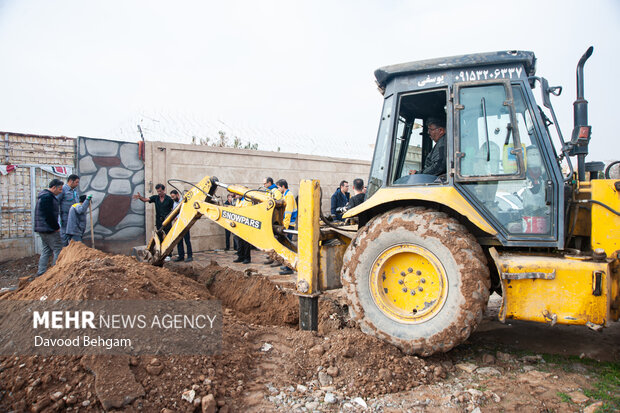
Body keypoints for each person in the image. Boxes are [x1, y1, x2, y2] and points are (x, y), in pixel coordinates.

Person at [133, 184, 174, 261]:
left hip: (167, 222)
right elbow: (146, 200)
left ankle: (169, 255)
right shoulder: (155, 198)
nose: (159, 193)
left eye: (160, 191)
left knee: (168, 238)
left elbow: (174, 209)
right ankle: (162, 254)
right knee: (160, 238)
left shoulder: (169, 199)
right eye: (158, 191)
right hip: (159, 221)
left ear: (164, 190)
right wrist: (140, 198)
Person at [34, 179, 64, 277]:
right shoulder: (47, 197)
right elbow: (48, 214)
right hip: (48, 229)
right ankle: (55, 273)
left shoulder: (44, 196)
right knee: (58, 248)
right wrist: (56, 227)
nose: (61, 192)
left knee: (46, 250)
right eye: (59, 189)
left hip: (43, 228)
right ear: (54, 187)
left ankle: (41, 272)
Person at [276, 179, 297, 275]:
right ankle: (287, 265)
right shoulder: (285, 195)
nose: (278, 189)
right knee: (286, 246)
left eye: (279, 187)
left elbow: (288, 213)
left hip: (288, 225)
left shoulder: (289, 196)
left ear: (283, 186)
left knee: (288, 247)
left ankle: (290, 268)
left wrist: (284, 227)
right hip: (287, 225)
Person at [57, 174, 80, 246]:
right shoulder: (63, 190)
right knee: (64, 236)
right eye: (76, 182)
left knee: (73, 237)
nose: (77, 184)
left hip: (74, 218)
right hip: (65, 218)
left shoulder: (75, 191)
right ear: (71, 181)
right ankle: (64, 252)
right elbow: (56, 203)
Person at [170, 190, 193, 262]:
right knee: (179, 241)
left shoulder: (184, 201)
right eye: (172, 197)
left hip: (184, 223)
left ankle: (189, 256)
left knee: (187, 240)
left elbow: (186, 211)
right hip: (178, 224)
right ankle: (181, 256)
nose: (173, 198)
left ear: (177, 194)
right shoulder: (174, 203)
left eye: (173, 196)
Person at [233, 195, 252, 264]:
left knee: (246, 242)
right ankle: (240, 256)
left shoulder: (247, 200)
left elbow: (246, 211)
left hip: (245, 223)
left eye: (238, 194)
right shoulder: (238, 200)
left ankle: (247, 258)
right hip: (238, 223)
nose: (237, 196)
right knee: (239, 242)